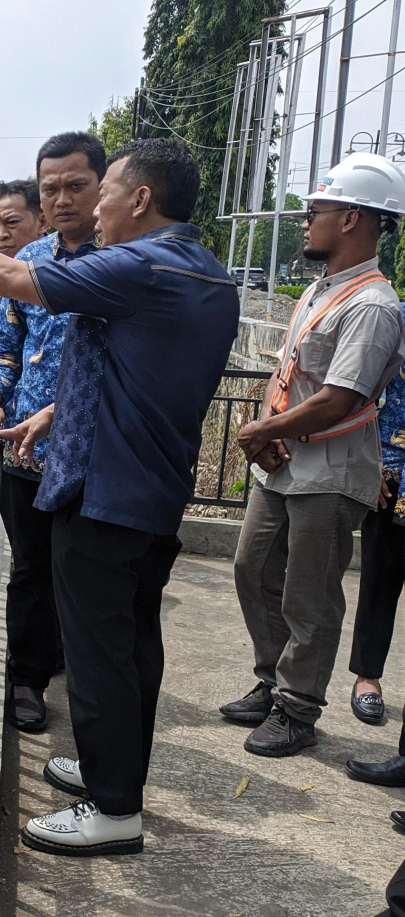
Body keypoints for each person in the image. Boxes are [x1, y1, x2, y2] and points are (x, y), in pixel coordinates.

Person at [0, 137, 240, 857]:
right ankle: (110, 769)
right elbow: (137, 376)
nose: (91, 208)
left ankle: (114, 809)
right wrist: (53, 413)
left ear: (139, 199)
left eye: (102, 191)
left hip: (105, 492)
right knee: (131, 643)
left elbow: (11, 277)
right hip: (150, 487)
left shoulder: (141, 264)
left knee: (97, 653)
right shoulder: (201, 269)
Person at [223, 152, 405, 758]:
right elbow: (291, 374)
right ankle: (274, 681)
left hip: (329, 473)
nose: (305, 222)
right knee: (252, 569)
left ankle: (298, 708)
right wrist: (269, 431)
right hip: (284, 462)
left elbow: (339, 398)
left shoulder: (372, 305)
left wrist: (263, 430)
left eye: (314, 211)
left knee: (311, 594)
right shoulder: (320, 292)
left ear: (351, 218)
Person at [0, 136, 104, 733]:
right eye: (51, 188)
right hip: (24, 452)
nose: (63, 198)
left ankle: (77, 674)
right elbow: (4, 348)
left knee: (81, 574)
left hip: (93, 454)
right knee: (29, 568)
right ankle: (26, 681)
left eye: (76, 185)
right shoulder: (28, 264)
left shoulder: (119, 262)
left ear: (103, 187)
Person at [345, 313, 405, 729]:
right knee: (380, 581)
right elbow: (363, 394)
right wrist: (372, 462)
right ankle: (368, 677)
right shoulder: (394, 318)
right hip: (392, 472)